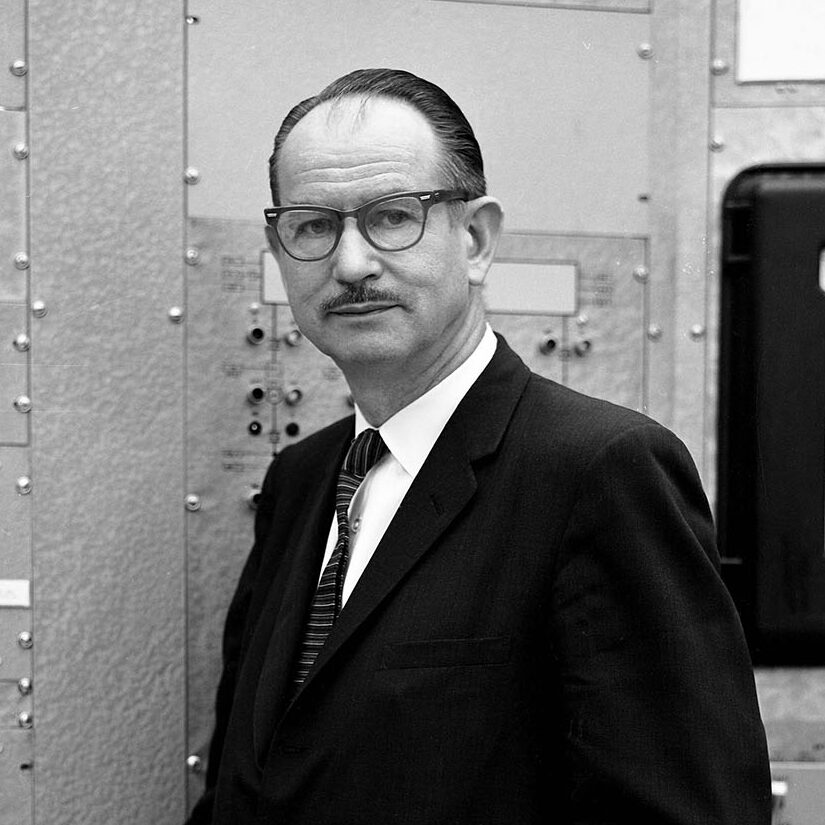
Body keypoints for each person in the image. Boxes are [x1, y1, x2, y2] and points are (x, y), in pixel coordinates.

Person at [187, 68, 771, 824]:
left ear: (476, 238)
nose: (352, 262)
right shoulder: (302, 479)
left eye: (392, 216)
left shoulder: (598, 469)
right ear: (279, 249)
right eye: (312, 225)